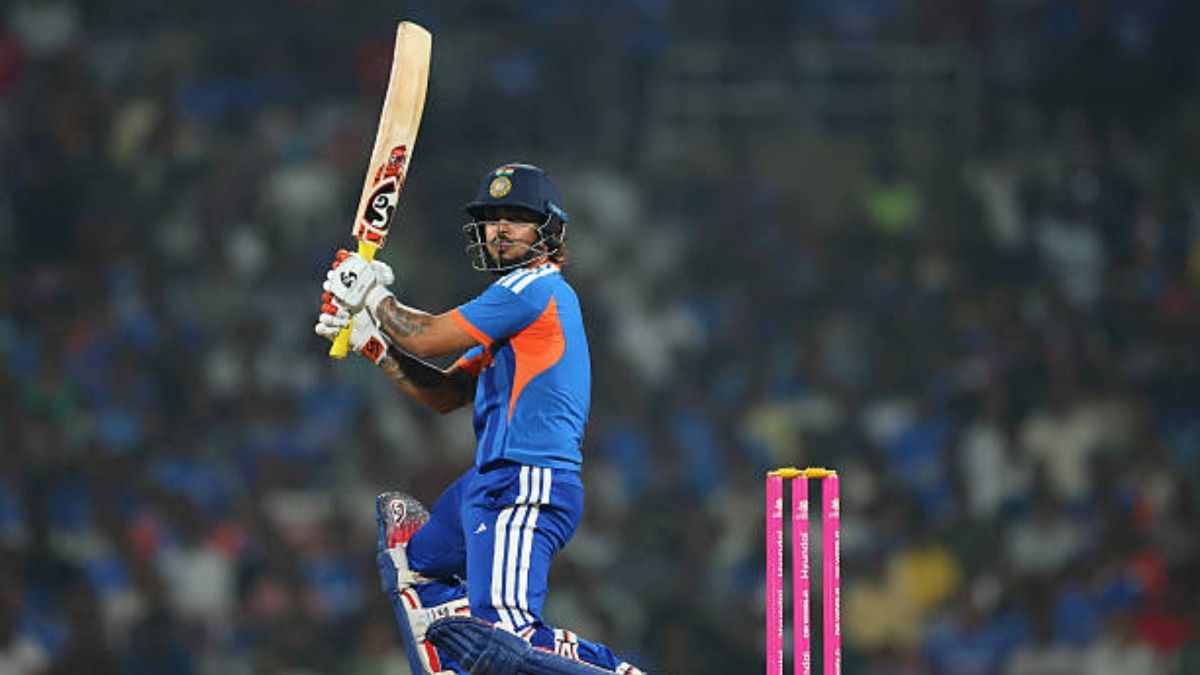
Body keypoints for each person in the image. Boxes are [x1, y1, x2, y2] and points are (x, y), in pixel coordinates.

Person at [316, 163, 644, 675]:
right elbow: (445, 394)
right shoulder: (512, 319)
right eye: (492, 219)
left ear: (550, 230)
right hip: (489, 483)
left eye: (517, 217)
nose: (500, 230)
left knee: (507, 639)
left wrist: (374, 296)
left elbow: (425, 335)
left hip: (527, 481)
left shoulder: (535, 290)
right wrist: (372, 342)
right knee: (413, 565)